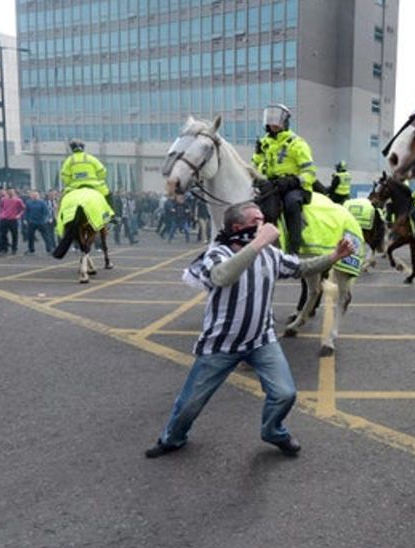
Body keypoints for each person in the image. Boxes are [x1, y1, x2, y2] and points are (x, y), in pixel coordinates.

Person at [145, 201, 355, 458]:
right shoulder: (217, 253)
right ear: (238, 227)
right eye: (257, 221)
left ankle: (273, 431)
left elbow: (301, 268)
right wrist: (258, 243)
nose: (265, 224)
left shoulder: (271, 254)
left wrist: (334, 256)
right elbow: (222, 276)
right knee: (190, 403)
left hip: (261, 340)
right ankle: (172, 438)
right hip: (221, 344)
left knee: (285, 394)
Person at [253, 104, 317, 254]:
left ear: (285, 122)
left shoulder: (298, 144)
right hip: (272, 185)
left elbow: (310, 173)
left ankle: (294, 247)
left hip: (295, 187)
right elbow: (256, 167)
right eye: (270, 120)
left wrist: (293, 181)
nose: (273, 124)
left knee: (291, 203)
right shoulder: (264, 144)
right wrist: (257, 155)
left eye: (277, 120)